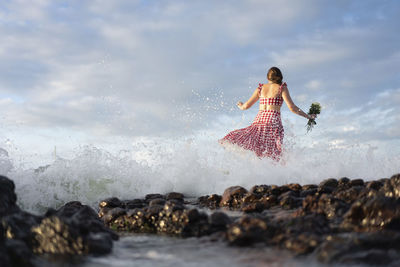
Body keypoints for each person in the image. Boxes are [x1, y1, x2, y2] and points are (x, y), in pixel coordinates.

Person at [219, 67, 316, 161]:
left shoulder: (260, 88)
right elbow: (292, 108)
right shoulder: (282, 88)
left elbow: (246, 106)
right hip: (273, 122)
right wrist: (308, 116)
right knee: (273, 153)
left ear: (267, 77)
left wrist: (240, 105)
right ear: (280, 77)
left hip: (259, 121)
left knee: (258, 149)